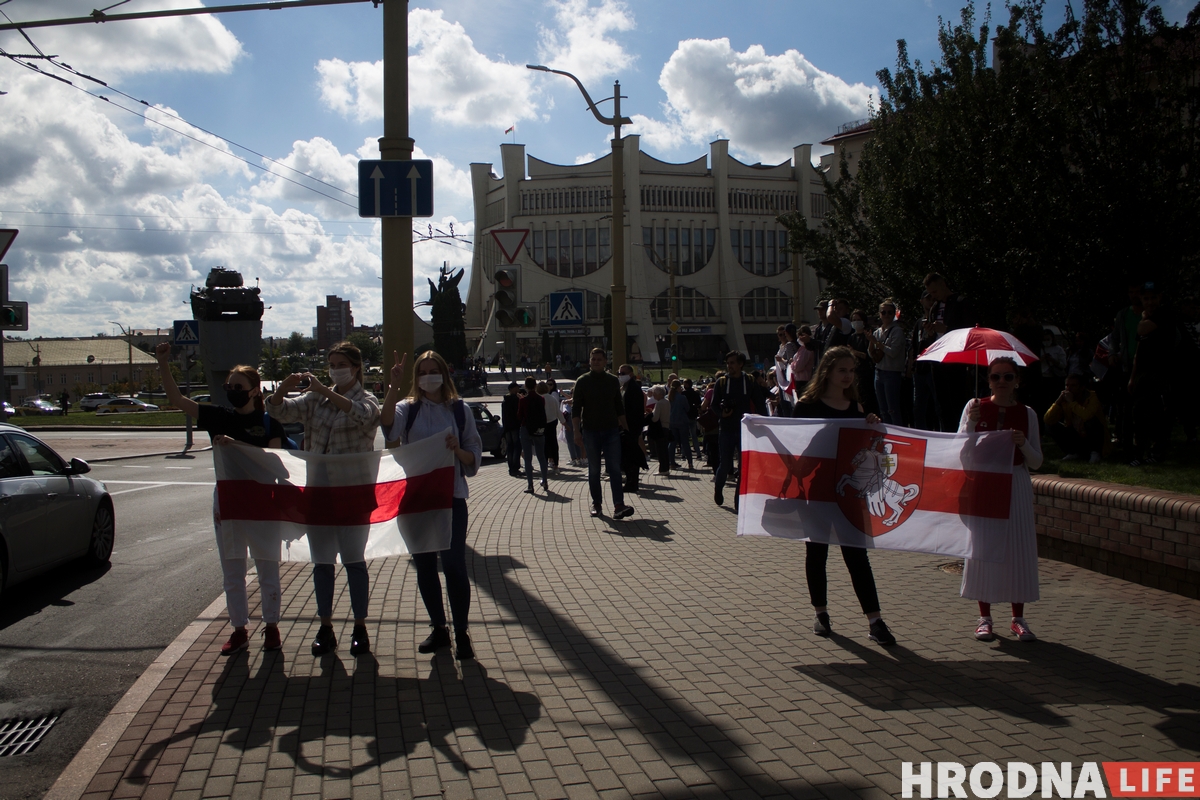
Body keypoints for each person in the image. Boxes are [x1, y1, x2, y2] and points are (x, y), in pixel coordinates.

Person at [154, 343, 287, 655]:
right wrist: (163, 363)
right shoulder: (218, 417)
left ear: (255, 390)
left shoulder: (270, 425)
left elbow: (276, 463)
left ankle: (271, 627)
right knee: (233, 571)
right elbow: (177, 400)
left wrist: (238, 446)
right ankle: (239, 628)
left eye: (238, 387)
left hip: (262, 504)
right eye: (229, 386)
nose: (232, 391)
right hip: (228, 504)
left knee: (268, 569)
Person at [268, 341, 381, 657]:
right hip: (319, 493)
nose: (334, 369)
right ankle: (326, 626)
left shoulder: (365, 398)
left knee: (354, 562)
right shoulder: (315, 398)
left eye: (341, 363)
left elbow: (366, 417)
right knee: (322, 564)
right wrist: (282, 389)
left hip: (353, 495)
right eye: (331, 363)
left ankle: (360, 628)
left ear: (356, 367)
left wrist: (328, 391)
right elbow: (279, 410)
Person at [380, 350, 482, 661]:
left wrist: (456, 450)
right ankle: (439, 627)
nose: (428, 376)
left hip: (451, 497)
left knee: (453, 566)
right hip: (417, 498)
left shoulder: (460, 410)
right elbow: (388, 429)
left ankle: (462, 630)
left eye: (433, 370)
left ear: (444, 373)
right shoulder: (406, 409)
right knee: (425, 567)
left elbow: (473, 456)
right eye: (422, 371)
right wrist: (393, 387)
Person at [792, 345, 897, 647]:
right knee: (817, 553)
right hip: (819, 489)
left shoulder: (857, 409)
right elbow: (799, 449)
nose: (848, 376)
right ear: (827, 371)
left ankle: (875, 621)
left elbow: (866, 450)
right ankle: (821, 613)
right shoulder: (807, 406)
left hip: (851, 493)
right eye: (842, 370)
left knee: (857, 555)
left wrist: (873, 429)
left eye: (852, 370)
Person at [958, 356, 1043, 643]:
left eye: (1008, 377)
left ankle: (1017, 618)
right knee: (984, 547)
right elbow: (960, 452)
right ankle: (984, 617)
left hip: (1015, 483)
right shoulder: (975, 406)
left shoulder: (1027, 413)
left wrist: (1024, 444)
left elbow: (1037, 461)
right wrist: (969, 425)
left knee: (1016, 547)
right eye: (996, 377)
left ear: (1017, 380)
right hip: (986, 482)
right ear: (989, 380)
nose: (1002, 382)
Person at [572, 348, 633, 519]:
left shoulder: (612, 381)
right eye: (593, 359)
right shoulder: (582, 381)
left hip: (611, 430)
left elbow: (619, 406)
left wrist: (626, 428)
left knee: (614, 469)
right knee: (594, 470)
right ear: (589, 361)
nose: (596, 361)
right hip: (590, 431)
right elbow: (576, 408)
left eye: (599, 359)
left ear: (605, 361)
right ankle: (596, 504)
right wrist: (576, 432)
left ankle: (618, 505)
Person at [711, 351, 768, 510]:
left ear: (740, 364)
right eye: (728, 363)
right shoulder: (721, 382)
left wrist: (764, 421)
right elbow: (714, 405)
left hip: (745, 430)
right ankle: (718, 487)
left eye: (733, 363)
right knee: (726, 463)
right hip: (727, 430)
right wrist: (722, 413)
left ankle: (738, 500)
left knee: (744, 466)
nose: (729, 366)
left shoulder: (749, 381)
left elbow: (760, 403)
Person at [1044, 374, 1107, 463]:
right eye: (1067, 385)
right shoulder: (1065, 399)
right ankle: (1073, 452)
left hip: (1091, 435)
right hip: (1076, 433)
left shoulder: (1092, 397)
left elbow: (1086, 415)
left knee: (1091, 421)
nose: (1069, 389)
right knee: (1049, 426)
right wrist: (1057, 403)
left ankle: (1095, 452)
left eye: (1073, 386)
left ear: (1082, 387)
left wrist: (1072, 402)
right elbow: (1047, 419)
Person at [869, 300, 906, 425]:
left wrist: (877, 343)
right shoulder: (877, 332)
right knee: (883, 410)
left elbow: (893, 352)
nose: (886, 315)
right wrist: (871, 343)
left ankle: (897, 433)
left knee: (893, 409)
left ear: (894, 314)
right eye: (883, 312)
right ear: (879, 314)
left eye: (889, 312)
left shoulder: (897, 331)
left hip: (892, 373)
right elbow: (872, 354)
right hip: (879, 372)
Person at [618, 364, 648, 495]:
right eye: (619, 373)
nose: (620, 375)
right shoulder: (625, 387)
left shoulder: (633, 388)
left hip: (631, 426)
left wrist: (628, 425)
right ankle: (630, 480)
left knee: (631, 456)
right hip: (627, 426)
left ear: (630, 374)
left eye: (623, 373)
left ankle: (632, 482)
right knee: (627, 455)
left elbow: (634, 410)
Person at [518, 377, 549, 493]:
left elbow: (519, 416)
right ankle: (545, 480)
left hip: (526, 429)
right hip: (539, 430)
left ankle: (530, 485)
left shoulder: (523, 400)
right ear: (535, 386)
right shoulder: (541, 399)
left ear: (525, 386)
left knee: (527, 458)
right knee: (541, 456)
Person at [668, 380, 694, 470]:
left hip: (672, 422)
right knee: (685, 442)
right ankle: (690, 463)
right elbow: (687, 408)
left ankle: (671, 462)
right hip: (682, 422)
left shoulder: (669, 398)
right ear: (679, 387)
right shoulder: (682, 398)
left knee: (672, 443)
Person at [500, 381, 522, 477]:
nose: (518, 390)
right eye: (517, 388)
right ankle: (515, 467)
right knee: (517, 446)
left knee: (510, 447)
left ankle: (511, 468)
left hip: (507, 427)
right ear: (512, 389)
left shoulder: (505, 401)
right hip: (515, 427)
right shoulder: (516, 400)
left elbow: (504, 416)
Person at [544, 378, 565, 472]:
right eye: (547, 384)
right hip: (546, 422)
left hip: (551, 421)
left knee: (551, 442)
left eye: (551, 384)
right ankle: (549, 460)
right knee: (546, 443)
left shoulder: (553, 395)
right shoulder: (545, 396)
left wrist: (563, 421)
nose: (549, 386)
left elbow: (557, 409)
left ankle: (553, 461)